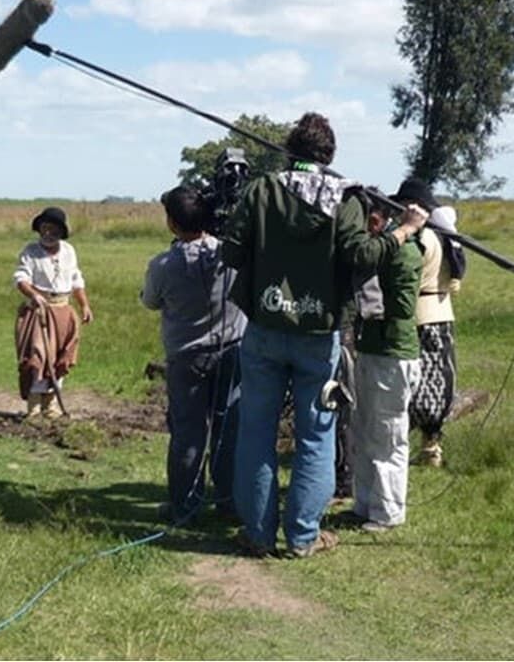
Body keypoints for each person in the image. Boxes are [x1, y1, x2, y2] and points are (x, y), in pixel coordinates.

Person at [220, 112, 428, 558]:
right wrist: (404, 230)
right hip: (319, 334)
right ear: (329, 155)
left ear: (290, 149)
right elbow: (362, 255)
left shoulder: (261, 189)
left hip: (263, 330)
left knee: (256, 430)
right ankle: (303, 536)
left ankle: (257, 533)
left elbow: (232, 252)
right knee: (316, 433)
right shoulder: (346, 198)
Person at [140, 186, 247, 525]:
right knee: (228, 429)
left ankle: (184, 508)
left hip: (186, 358)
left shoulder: (162, 264)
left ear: (172, 223)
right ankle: (229, 503)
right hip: (232, 353)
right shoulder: (231, 255)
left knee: (187, 432)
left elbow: (150, 301)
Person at [350, 194, 425, 532]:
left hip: (393, 354)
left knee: (389, 436)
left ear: (378, 222)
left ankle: (387, 511)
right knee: (365, 430)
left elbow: (401, 306)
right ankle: (365, 504)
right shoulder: (386, 248)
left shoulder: (403, 252)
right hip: (371, 347)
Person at [404, 183, 464, 467]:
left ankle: (404, 444)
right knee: (438, 385)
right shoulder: (446, 238)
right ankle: (431, 447)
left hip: (419, 314)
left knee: (414, 386)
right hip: (442, 312)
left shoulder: (420, 238)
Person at [12, 206, 93, 419]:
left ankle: (52, 406)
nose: (48, 233)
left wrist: (84, 305)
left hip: (63, 312)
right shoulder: (30, 252)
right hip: (39, 313)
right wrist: (34, 295)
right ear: (39, 229)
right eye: (44, 229)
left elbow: (76, 281)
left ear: (61, 231)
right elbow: (21, 279)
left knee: (60, 359)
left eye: (53, 229)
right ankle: (34, 407)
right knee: (38, 357)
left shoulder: (69, 251)